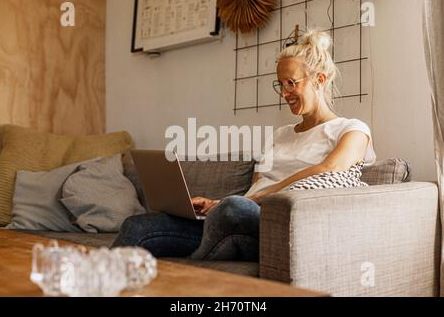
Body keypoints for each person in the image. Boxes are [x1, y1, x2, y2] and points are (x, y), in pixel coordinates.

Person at [112, 30, 376, 262]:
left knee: (235, 208)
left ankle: (197, 259)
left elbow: (329, 168)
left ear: (319, 79)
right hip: (236, 216)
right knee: (138, 226)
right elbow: (255, 186)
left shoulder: (351, 129)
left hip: (270, 225)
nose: (284, 93)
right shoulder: (280, 135)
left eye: (291, 83)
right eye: (280, 84)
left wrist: (249, 199)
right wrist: (216, 203)